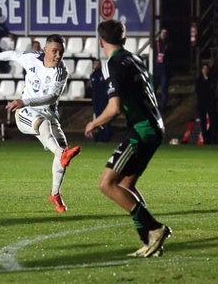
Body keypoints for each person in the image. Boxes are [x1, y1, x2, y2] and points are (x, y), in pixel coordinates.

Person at [83, 19, 171, 258]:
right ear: (123, 38)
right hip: (154, 126)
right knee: (125, 185)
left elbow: (114, 108)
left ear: (101, 42)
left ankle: (154, 227)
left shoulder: (113, 64)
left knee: (106, 184)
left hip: (142, 131)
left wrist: (94, 122)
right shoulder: (135, 59)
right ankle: (150, 240)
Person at [0, 34, 81, 213]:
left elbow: (51, 97)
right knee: (44, 127)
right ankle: (62, 154)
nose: (58, 56)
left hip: (47, 111)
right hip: (25, 113)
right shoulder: (31, 58)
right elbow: (11, 54)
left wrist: (26, 101)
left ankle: (55, 193)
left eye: (61, 52)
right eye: (54, 51)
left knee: (61, 151)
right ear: (45, 50)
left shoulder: (61, 71)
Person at [88, 58, 112, 142]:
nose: (96, 65)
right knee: (98, 118)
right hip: (96, 100)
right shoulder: (92, 75)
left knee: (104, 118)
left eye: (98, 64)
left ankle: (106, 137)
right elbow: (92, 88)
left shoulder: (103, 74)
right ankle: (100, 136)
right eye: (95, 64)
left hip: (103, 100)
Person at [194, 62, 218, 144]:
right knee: (203, 122)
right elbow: (198, 91)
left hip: (210, 103)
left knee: (213, 122)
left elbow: (212, 89)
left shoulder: (211, 79)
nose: (205, 70)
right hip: (202, 103)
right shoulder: (198, 80)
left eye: (206, 69)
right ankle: (206, 140)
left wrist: (207, 81)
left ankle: (213, 139)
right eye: (203, 69)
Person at [153, 28, 170, 114]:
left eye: (165, 33)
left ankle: (163, 108)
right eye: (162, 33)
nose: (163, 35)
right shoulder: (156, 43)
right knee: (153, 88)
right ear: (159, 34)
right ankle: (155, 107)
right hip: (156, 68)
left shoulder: (168, 44)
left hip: (164, 69)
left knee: (163, 88)